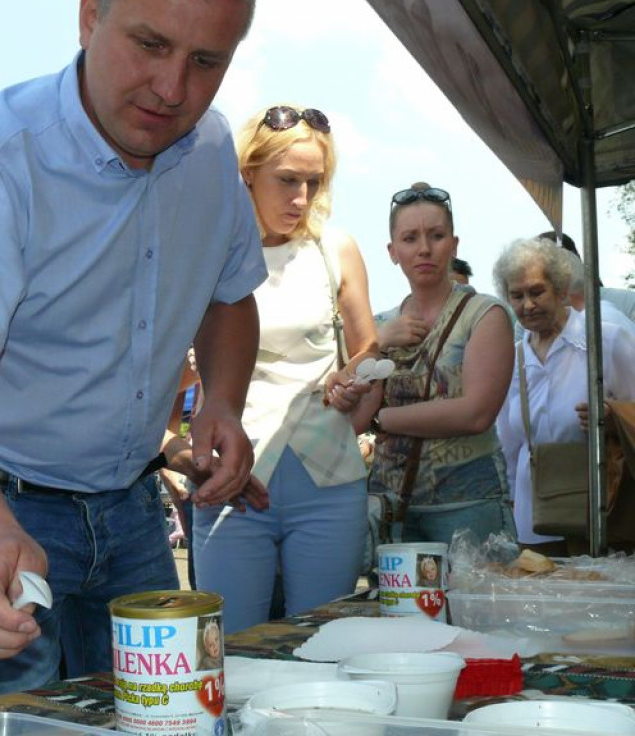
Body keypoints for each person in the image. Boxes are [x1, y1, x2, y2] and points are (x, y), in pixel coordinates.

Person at [0, 0, 267, 705]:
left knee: (173, 715)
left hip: (132, 504)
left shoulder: (212, 148)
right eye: (150, 44)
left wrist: (221, 400)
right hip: (4, 503)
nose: (171, 88)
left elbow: (230, 297)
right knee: (26, 724)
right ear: (90, 16)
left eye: (205, 62)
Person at [191, 105, 377, 632]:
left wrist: (353, 377)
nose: (301, 198)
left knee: (325, 643)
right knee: (230, 648)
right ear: (247, 172)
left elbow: (368, 348)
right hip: (233, 477)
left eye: (314, 183)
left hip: (330, 480)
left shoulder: (334, 248)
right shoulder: (208, 248)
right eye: (287, 180)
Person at [364, 182, 517, 547]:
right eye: (410, 238)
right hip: (390, 505)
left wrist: (381, 420)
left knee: (476, 603)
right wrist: (378, 343)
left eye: (436, 235)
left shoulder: (485, 313)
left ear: (454, 244)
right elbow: (350, 405)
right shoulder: (379, 325)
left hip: (467, 503)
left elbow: (475, 413)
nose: (424, 249)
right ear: (393, 251)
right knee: (392, 605)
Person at [493, 238, 635, 553]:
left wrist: (612, 419)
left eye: (536, 291)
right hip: (536, 519)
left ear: (560, 289)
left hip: (603, 511)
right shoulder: (513, 359)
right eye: (517, 296)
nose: (527, 305)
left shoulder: (606, 341)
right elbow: (509, 448)